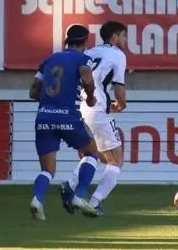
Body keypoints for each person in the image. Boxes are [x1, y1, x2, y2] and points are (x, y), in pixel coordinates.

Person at [28, 24, 101, 221]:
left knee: (47, 170)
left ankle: (37, 199)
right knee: (92, 152)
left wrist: (50, 100)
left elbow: (33, 91)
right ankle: (79, 195)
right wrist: (91, 97)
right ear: (86, 42)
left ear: (66, 41)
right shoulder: (82, 58)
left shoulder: (49, 60)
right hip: (67, 116)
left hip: (43, 117)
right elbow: (87, 78)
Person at [60, 21, 129, 219]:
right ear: (115, 37)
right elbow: (118, 87)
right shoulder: (118, 55)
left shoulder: (88, 53)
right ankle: (93, 203)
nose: (125, 41)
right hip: (98, 110)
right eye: (124, 36)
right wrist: (121, 104)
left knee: (92, 155)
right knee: (115, 160)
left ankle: (70, 184)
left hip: (80, 109)